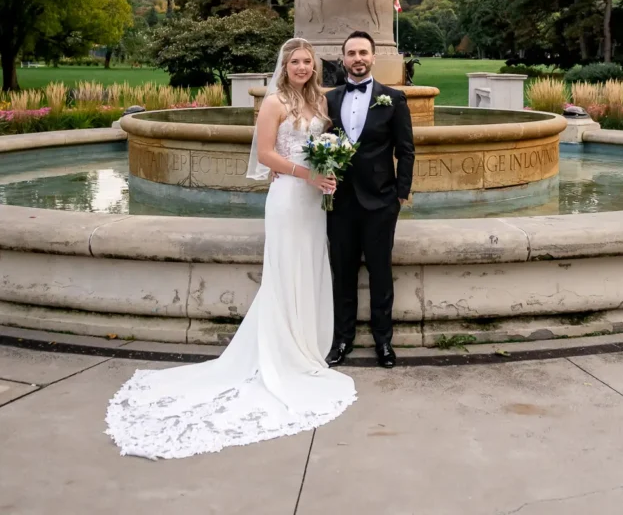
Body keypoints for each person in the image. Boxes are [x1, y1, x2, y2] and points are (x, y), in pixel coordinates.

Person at [105, 38, 356, 459]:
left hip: (314, 201)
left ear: (314, 66)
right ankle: (281, 352)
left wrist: (326, 172)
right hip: (289, 197)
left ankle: (307, 345)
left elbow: (323, 148)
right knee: (285, 269)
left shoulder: (320, 104)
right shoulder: (274, 103)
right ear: (284, 65)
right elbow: (265, 154)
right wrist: (306, 174)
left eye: (307, 62)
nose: (301, 67)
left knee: (310, 266)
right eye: (294, 61)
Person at [325, 31, 415, 369]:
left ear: (373, 57)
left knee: (381, 272)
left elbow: (406, 150)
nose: (357, 58)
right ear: (343, 58)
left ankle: (383, 341)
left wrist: (400, 193)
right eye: (351, 53)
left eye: (363, 52)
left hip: (381, 202)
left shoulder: (393, 99)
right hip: (339, 202)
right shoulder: (329, 99)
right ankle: (342, 339)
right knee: (342, 273)